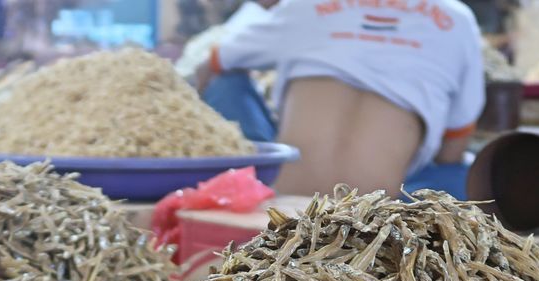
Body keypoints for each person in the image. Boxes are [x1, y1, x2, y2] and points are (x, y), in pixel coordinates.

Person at [195, 0, 485, 195]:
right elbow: (452, 150)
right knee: (467, 173)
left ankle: (234, 181)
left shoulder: (303, 6)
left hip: (278, 199)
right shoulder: (456, 19)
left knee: (227, 82)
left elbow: (212, 65)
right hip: (383, 215)